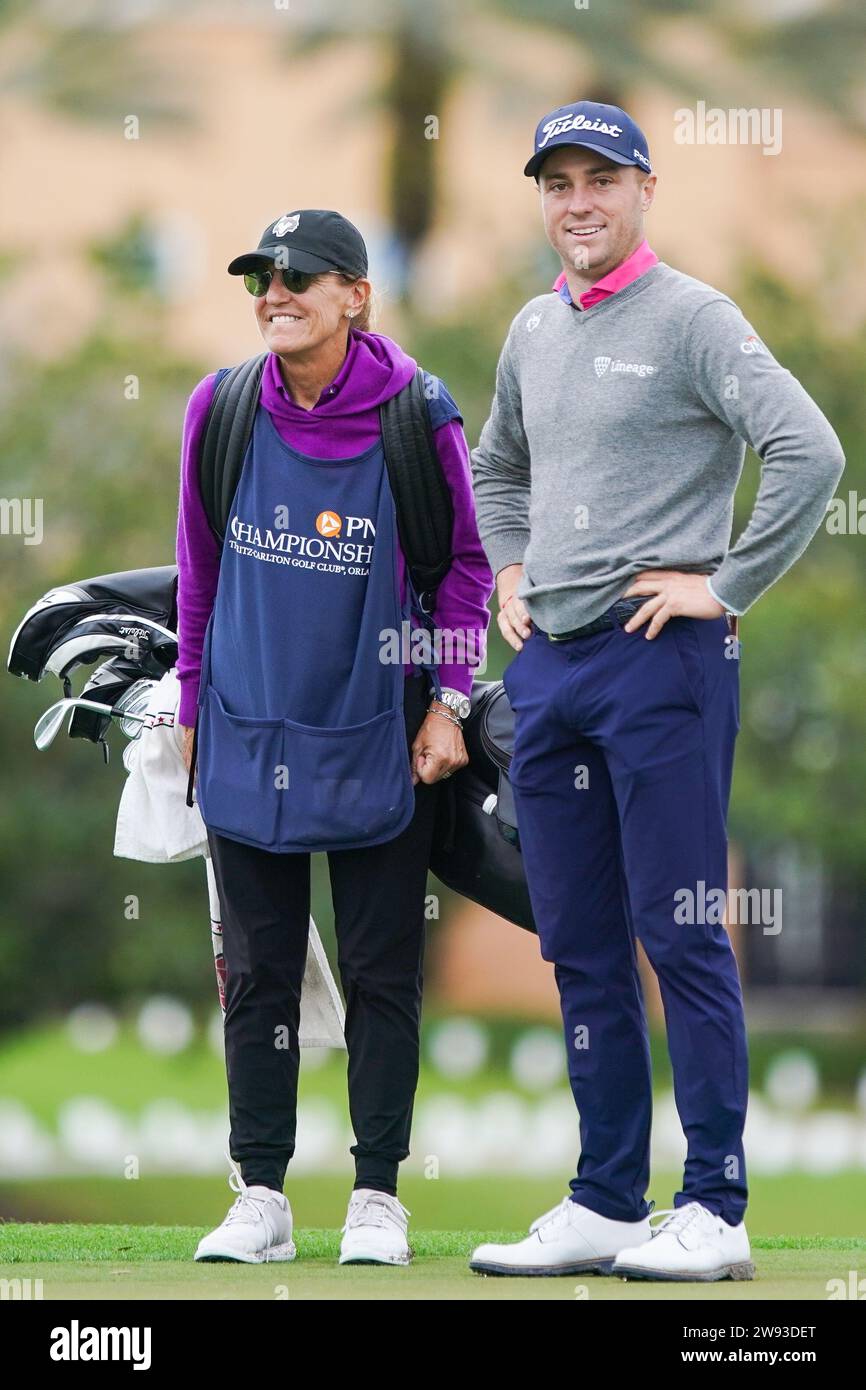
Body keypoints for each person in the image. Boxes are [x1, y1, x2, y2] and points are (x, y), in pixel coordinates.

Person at [468, 102, 845, 1281]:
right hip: (553, 666)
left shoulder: (692, 318)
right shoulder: (532, 327)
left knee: (677, 932)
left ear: (641, 190)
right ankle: (604, 1199)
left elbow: (809, 449)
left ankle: (715, 1208)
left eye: (598, 180)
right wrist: (511, 570)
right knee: (578, 941)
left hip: (658, 657)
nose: (575, 201)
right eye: (556, 183)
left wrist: (725, 586)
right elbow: (495, 463)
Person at [175, 209, 493, 1265]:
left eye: (299, 276)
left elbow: (463, 569)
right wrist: (186, 705)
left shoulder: (417, 415)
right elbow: (199, 571)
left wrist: (448, 701)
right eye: (260, 276)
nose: (275, 292)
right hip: (244, 727)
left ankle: (376, 1196)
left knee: (380, 971)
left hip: (380, 734)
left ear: (355, 294)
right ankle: (258, 1193)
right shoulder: (218, 410)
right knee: (258, 975)